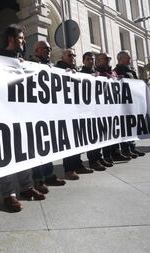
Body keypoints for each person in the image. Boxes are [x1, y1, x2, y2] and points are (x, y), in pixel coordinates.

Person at [0, 24, 45, 213]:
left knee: (24, 150)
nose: (24, 41)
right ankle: (9, 194)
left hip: (21, 113)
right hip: (4, 114)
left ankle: (26, 187)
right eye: (21, 38)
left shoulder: (21, 59)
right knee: (6, 154)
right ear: (11, 39)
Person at [30, 40, 66, 192]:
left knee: (48, 146)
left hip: (50, 113)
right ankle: (38, 179)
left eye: (50, 48)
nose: (49, 51)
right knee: (38, 148)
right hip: (36, 113)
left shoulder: (52, 66)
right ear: (37, 51)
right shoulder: (30, 64)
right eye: (45, 49)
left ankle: (49, 174)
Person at [55, 49, 94, 180]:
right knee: (70, 141)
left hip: (78, 110)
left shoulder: (76, 70)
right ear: (62, 57)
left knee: (78, 140)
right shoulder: (58, 69)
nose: (73, 57)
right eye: (70, 55)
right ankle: (69, 169)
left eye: (74, 55)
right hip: (66, 111)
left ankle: (78, 165)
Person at [95, 53, 131, 164]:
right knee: (104, 134)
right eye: (105, 59)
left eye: (109, 59)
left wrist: (118, 79)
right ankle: (104, 156)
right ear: (98, 61)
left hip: (114, 109)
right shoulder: (96, 72)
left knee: (114, 132)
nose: (108, 61)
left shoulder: (113, 72)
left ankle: (114, 153)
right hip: (102, 109)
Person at [79, 52, 110, 172]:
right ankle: (93, 160)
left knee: (99, 135)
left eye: (92, 59)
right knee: (92, 136)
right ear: (83, 61)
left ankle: (98, 157)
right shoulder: (80, 73)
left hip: (98, 110)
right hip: (87, 110)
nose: (90, 61)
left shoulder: (97, 73)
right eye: (88, 59)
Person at [114, 50, 145, 157]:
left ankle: (132, 147)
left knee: (132, 127)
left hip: (133, 104)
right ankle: (126, 149)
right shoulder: (116, 71)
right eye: (128, 57)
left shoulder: (131, 71)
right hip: (123, 106)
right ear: (120, 59)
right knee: (124, 128)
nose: (130, 59)